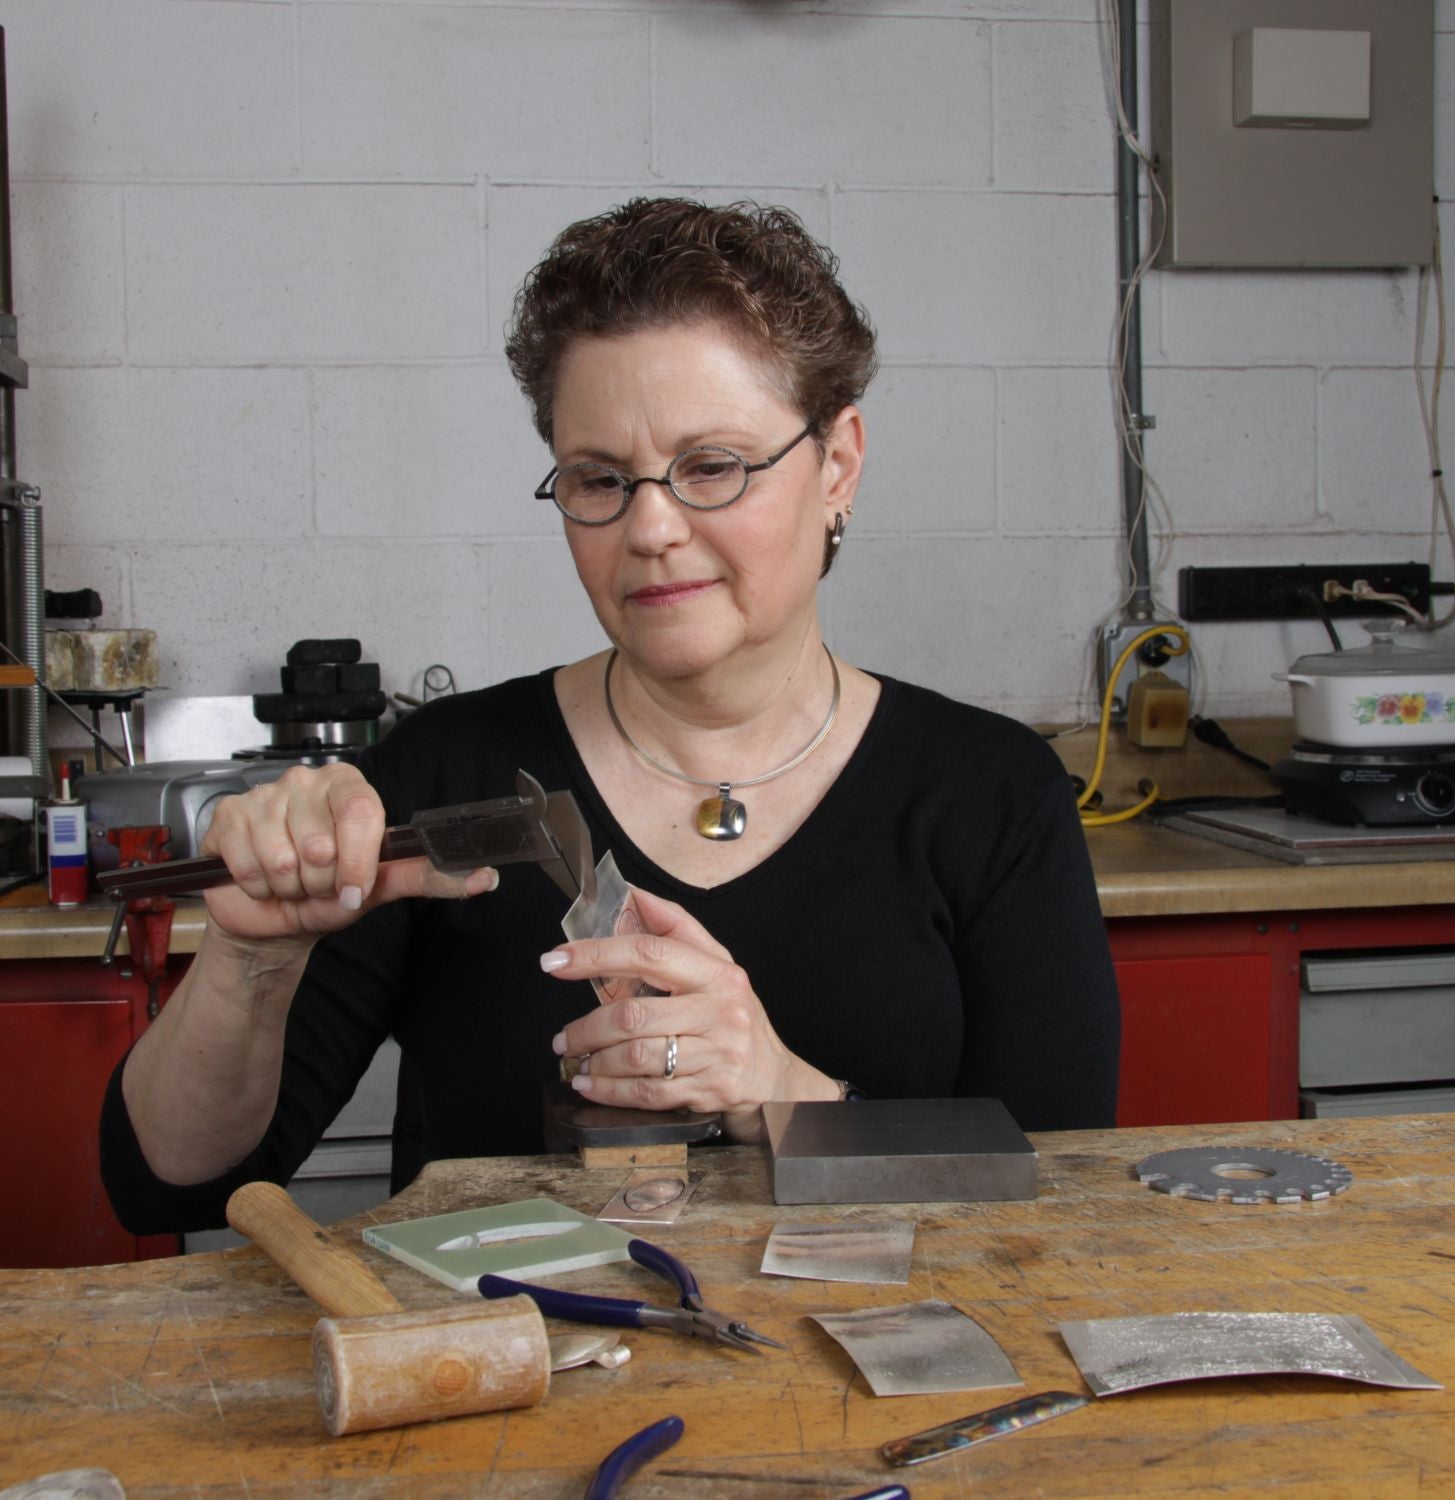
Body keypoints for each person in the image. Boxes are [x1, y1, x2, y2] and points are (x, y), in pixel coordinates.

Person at [101, 198, 1120, 1233]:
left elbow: (1054, 1190)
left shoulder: (991, 796)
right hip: (509, 1376)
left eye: (712, 466)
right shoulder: (447, 778)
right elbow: (168, 1188)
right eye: (600, 478)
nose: (652, 528)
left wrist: (778, 1091)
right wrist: (251, 962)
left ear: (840, 465)